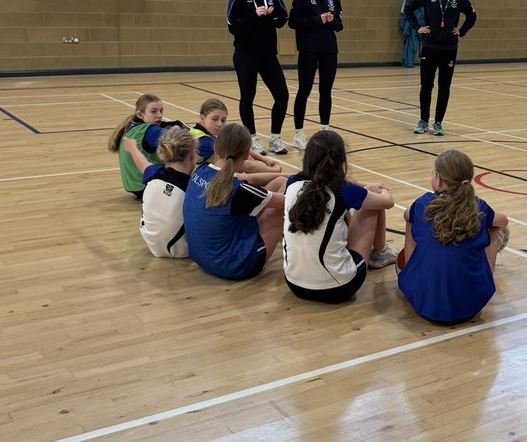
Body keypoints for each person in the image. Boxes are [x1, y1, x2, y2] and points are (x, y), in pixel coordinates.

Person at [283, 130, 397, 303]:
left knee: (343, 210)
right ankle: (380, 253)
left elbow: (331, 184)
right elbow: (387, 202)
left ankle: (373, 253)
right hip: (339, 289)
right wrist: (381, 189)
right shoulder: (343, 191)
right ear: (341, 160)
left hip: (294, 284)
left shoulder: (292, 182)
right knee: (372, 199)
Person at [397, 149, 508, 325]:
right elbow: (503, 220)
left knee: (410, 221)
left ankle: (412, 273)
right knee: (494, 229)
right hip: (471, 306)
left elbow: (406, 214)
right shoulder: (478, 207)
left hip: (423, 303)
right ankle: (486, 278)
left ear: (438, 179)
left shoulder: (422, 204)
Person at [183, 122, 285, 280]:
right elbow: (289, 200)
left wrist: (285, 175)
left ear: (215, 148)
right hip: (234, 267)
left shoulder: (201, 170)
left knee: (279, 182)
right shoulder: (239, 191)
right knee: (283, 198)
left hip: (200, 256)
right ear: (247, 155)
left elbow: (247, 178)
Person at [403, 0, 477, 137]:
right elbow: (409, 9)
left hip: (449, 48)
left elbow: (472, 16)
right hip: (430, 46)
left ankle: (438, 123)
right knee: (426, 85)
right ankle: (423, 121)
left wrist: (461, 31)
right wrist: (418, 27)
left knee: (444, 86)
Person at [226, 0, 290, 155]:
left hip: (268, 54)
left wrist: (272, 13)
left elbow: (283, 19)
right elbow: (234, 28)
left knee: (282, 95)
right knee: (248, 96)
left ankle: (275, 138)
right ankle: (252, 139)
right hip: (245, 54)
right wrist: (255, 15)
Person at [288, 0, 343, 151]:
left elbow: (340, 26)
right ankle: (298, 134)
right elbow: (293, 22)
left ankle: (324, 132)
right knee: (304, 90)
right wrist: (317, 19)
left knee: (326, 91)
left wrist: (331, 19)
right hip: (308, 49)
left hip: (329, 50)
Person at [190, 97, 284, 186]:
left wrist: (264, 159)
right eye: (214, 119)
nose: (219, 124)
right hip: (204, 182)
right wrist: (275, 170)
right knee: (279, 181)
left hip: (206, 178)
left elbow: (240, 148)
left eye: (223, 120)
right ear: (202, 118)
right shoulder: (205, 142)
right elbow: (246, 165)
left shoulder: (198, 132)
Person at [108, 93, 186, 197]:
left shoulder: (131, 126)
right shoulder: (150, 131)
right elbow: (179, 135)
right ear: (140, 115)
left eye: (161, 111)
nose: (159, 115)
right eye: (154, 111)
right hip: (146, 186)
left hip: (133, 185)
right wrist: (176, 127)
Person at [139, 127, 197, 258]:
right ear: (192, 155)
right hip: (183, 251)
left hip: (153, 245)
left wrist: (131, 147)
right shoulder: (193, 189)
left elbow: (142, 163)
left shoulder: (153, 174)